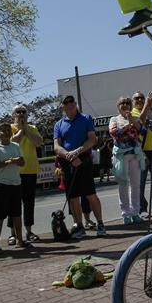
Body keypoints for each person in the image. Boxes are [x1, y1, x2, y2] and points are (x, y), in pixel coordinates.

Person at [54, 96, 106, 238]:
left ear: (75, 105)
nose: (70, 109)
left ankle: (100, 223)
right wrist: (69, 156)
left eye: (72, 106)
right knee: (73, 197)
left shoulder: (85, 118)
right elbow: (57, 146)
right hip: (68, 161)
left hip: (83, 160)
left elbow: (92, 139)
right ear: (63, 108)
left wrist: (77, 152)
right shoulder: (58, 124)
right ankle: (79, 226)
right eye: (67, 107)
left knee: (90, 194)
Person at [0, 123, 27, 252]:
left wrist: (17, 160)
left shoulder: (15, 146)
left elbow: (22, 162)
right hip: (1, 185)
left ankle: (20, 240)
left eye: (8, 131)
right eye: (2, 131)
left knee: (16, 214)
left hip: (16, 184)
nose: (6, 133)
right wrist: (7, 162)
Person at [109, 96, 145, 224]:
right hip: (121, 156)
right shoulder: (114, 119)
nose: (124, 105)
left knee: (136, 184)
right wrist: (127, 128)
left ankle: (135, 212)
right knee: (123, 184)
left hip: (135, 154)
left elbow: (140, 131)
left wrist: (130, 121)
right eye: (122, 103)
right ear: (118, 106)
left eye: (127, 103)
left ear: (130, 105)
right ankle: (126, 214)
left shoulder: (135, 118)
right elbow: (114, 133)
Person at [11, 104, 43, 244]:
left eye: (24, 112)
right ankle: (13, 234)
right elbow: (13, 142)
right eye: (18, 112)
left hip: (30, 170)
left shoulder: (33, 128)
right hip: (15, 172)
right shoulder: (10, 129)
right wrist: (20, 130)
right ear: (14, 115)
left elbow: (38, 142)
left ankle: (28, 231)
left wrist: (25, 129)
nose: (21, 114)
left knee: (29, 203)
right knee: (13, 203)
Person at [131, 91, 152, 213]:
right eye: (136, 98)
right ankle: (141, 208)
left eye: (141, 98)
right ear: (133, 101)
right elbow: (140, 121)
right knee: (140, 182)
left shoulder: (149, 108)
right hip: (141, 151)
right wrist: (146, 106)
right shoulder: (132, 113)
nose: (139, 100)